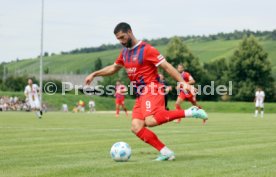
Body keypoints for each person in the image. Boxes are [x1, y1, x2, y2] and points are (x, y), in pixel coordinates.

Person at [84, 22, 208, 161]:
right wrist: (95, 73)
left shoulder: (147, 49)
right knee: (136, 127)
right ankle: (166, 152)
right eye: (118, 39)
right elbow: (113, 68)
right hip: (140, 94)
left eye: (123, 37)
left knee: (150, 121)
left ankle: (191, 112)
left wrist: (183, 83)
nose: (121, 41)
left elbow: (166, 66)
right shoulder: (124, 53)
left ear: (130, 32)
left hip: (152, 88)